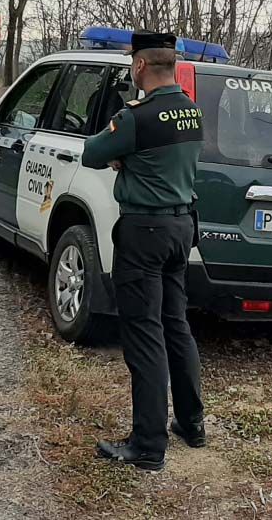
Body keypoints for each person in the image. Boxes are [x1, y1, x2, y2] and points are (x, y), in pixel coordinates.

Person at [81, 30, 206, 471]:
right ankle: (192, 424)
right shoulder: (193, 113)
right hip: (180, 228)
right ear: (173, 65)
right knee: (176, 325)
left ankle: (148, 444)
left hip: (144, 232)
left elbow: (91, 153)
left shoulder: (136, 117)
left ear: (139, 67)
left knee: (144, 335)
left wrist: (124, 157)